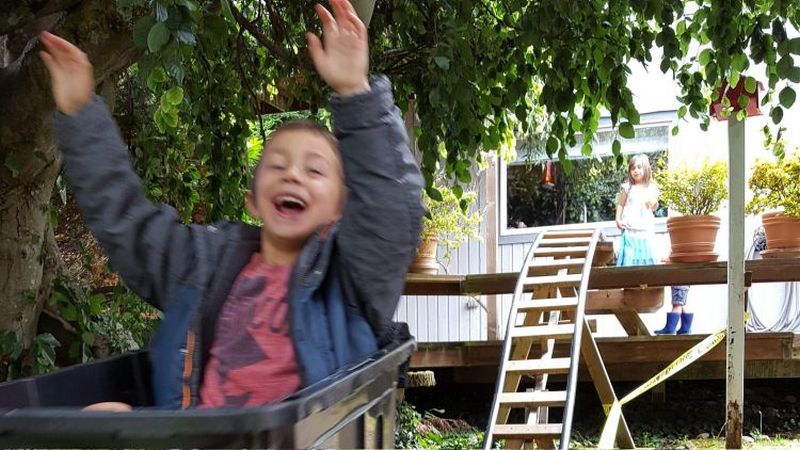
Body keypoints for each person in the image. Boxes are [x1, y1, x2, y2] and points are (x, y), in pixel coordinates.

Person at [40, 0, 424, 409]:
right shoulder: (203, 264)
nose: (292, 174)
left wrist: (355, 92)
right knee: (108, 415)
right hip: (207, 436)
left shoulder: (350, 279)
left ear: (339, 209)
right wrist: (81, 114)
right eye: (276, 165)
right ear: (253, 201)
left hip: (307, 438)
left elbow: (391, 209)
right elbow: (127, 224)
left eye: (314, 171)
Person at [615, 154, 659, 266]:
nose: (636, 171)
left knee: (646, 255)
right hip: (630, 229)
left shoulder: (651, 188)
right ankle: (630, 281)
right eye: (633, 168)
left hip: (645, 229)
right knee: (630, 257)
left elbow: (655, 206)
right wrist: (618, 219)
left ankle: (646, 281)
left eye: (639, 167)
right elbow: (620, 204)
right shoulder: (627, 187)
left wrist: (653, 203)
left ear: (646, 169)